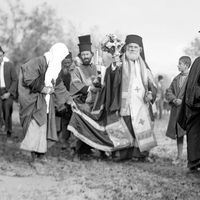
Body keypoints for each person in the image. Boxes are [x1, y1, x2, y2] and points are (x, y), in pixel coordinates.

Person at [68, 34, 157, 161]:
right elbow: (111, 77)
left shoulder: (144, 67)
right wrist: (115, 66)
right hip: (124, 105)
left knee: (141, 127)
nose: (132, 49)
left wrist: (151, 94)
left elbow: (152, 85)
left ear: (140, 50)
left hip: (141, 104)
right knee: (125, 129)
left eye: (135, 47)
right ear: (126, 48)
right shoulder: (120, 63)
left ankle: (141, 154)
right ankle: (122, 154)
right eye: (130, 47)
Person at [18, 43, 73, 161]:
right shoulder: (39, 62)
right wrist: (42, 88)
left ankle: (40, 154)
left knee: (43, 128)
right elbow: (26, 76)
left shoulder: (55, 67)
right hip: (34, 102)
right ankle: (30, 154)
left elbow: (59, 86)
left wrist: (69, 99)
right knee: (34, 126)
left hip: (46, 103)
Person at [165, 56, 191, 164]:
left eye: (180, 64)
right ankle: (179, 156)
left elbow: (193, 93)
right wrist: (174, 99)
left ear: (186, 65)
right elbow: (168, 91)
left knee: (191, 135)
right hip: (177, 112)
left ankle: (192, 158)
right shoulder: (175, 79)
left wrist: (183, 100)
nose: (178, 65)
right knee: (179, 135)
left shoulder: (192, 78)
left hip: (188, 112)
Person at [178, 55, 200, 171]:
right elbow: (192, 88)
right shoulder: (198, 62)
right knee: (195, 136)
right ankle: (194, 162)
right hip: (196, 109)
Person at [57, 52, 75, 149]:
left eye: (69, 62)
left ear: (72, 62)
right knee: (64, 122)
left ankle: (73, 142)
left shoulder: (75, 71)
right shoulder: (60, 73)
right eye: (65, 63)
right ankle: (64, 141)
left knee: (74, 121)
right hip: (64, 100)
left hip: (74, 99)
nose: (67, 65)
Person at [0, 46, 18, 138]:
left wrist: (9, 93)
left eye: (0, 55)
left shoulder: (9, 65)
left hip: (8, 90)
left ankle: (9, 131)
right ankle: (2, 128)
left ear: (3, 55)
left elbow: (15, 80)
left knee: (7, 111)